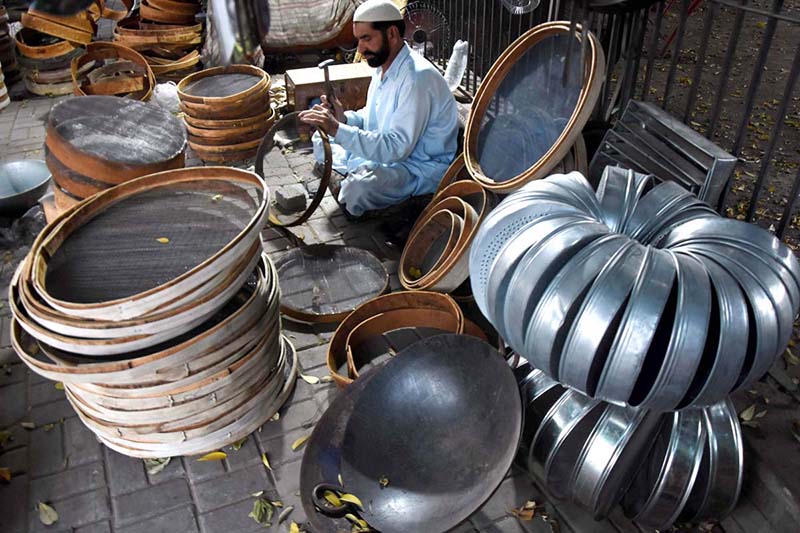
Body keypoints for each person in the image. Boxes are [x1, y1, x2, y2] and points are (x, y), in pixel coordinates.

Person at [298, 0, 459, 219]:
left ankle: (356, 178)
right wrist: (343, 119)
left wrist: (337, 129)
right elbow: (371, 117)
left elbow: (397, 148)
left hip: (416, 167)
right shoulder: (383, 67)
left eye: (366, 39)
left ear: (391, 34)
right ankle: (356, 171)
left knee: (358, 189)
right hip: (389, 155)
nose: (360, 49)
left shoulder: (417, 78)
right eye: (358, 40)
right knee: (321, 139)